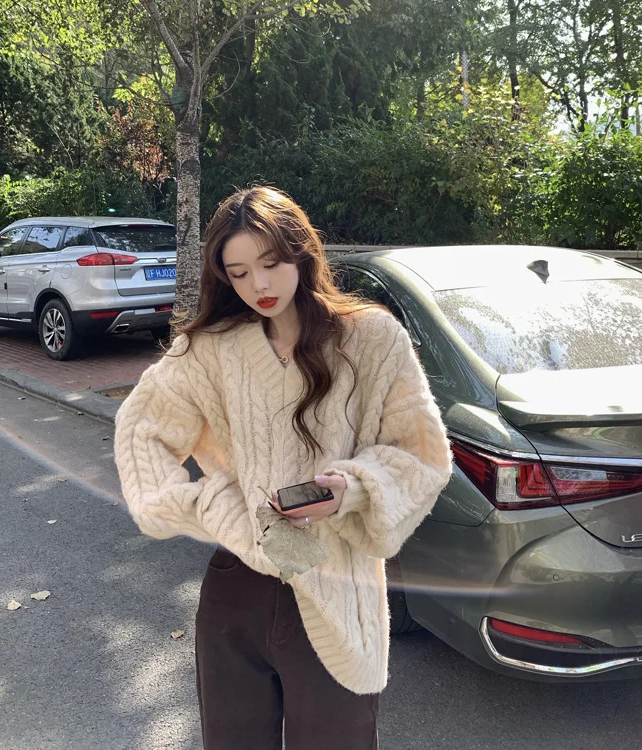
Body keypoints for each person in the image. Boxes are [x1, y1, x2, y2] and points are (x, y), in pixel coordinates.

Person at [114, 186, 452, 749]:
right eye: (239, 273)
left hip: (336, 587)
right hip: (237, 585)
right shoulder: (211, 349)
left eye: (270, 263)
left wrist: (350, 489)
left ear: (301, 252)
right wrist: (209, 504)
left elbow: (421, 453)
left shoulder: (371, 338)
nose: (259, 285)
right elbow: (140, 428)